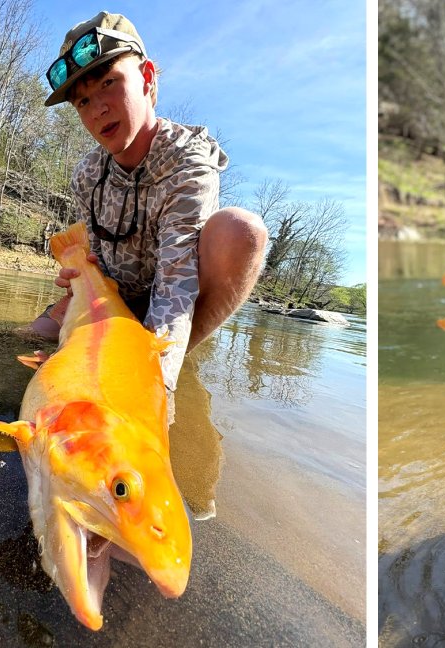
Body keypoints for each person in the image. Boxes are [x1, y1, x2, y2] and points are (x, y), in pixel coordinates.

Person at [27, 12, 268, 407]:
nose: (97, 109)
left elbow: (176, 280)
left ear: (147, 77)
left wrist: (151, 390)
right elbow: (98, 261)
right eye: (82, 101)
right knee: (31, 337)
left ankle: (172, 356)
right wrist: (80, 284)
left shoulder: (188, 162)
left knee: (241, 230)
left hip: (172, 294)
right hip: (116, 297)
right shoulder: (87, 174)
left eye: (108, 82)